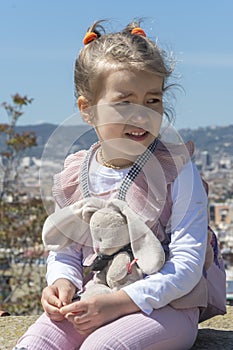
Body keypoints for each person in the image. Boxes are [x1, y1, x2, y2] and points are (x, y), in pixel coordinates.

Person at [13, 19, 226, 350]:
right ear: (88, 110)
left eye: (152, 101)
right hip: (98, 296)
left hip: (169, 306)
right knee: (37, 342)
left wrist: (119, 302)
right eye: (124, 102)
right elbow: (65, 250)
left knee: (104, 346)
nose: (141, 115)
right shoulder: (76, 174)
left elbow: (186, 264)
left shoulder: (177, 169)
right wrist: (61, 283)